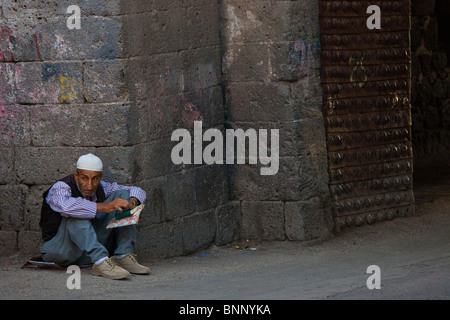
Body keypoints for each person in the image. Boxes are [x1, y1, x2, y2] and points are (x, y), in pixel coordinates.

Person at [39, 153, 149, 280]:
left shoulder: (103, 187)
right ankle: (100, 262)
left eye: (95, 179)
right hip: (62, 250)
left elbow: (137, 191)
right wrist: (106, 206)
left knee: (122, 195)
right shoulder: (61, 187)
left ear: (100, 177)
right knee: (76, 213)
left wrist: (131, 203)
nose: (90, 185)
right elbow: (66, 206)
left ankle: (122, 255)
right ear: (76, 176)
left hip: (90, 248)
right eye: (84, 178)